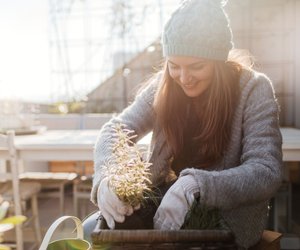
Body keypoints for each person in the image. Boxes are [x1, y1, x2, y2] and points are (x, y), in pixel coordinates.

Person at [90, 0, 283, 248]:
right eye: (174, 66)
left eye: (196, 66)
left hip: (224, 220)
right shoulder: (164, 85)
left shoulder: (253, 89)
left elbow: (266, 171)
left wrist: (196, 185)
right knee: (106, 230)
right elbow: (114, 130)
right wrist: (109, 177)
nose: (183, 77)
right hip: (163, 203)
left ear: (219, 61)